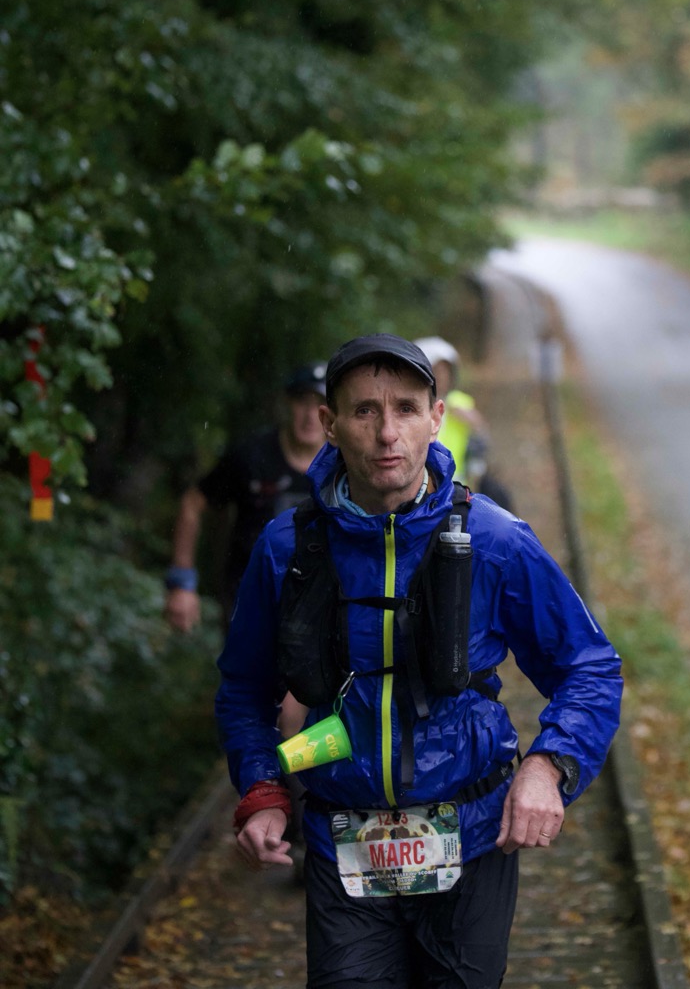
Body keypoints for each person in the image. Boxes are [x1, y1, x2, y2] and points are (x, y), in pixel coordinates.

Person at [216, 333, 622, 989]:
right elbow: (244, 687)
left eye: (405, 409)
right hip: (342, 842)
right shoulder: (287, 547)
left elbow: (589, 667)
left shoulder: (494, 540)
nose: (387, 433)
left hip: (472, 836)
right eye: (364, 411)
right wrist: (261, 789)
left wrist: (549, 767)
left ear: (436, 418)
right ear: (328, 424)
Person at [164, 361, 327, 634]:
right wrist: (182, 582)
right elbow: (193, 503)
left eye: (320, 404)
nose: (310, 415)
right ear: (288, 403)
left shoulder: (344, 465)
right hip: (248, 602)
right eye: (303, 402)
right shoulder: (252, 455)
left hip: (317, 609)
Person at [415, 335, 514, 511]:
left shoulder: (458, 402)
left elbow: (480, 429)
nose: (442, 377)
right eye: (436, 371)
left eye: (446, 372)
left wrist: (472, 421)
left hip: (454, 485)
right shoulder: (413, 406)